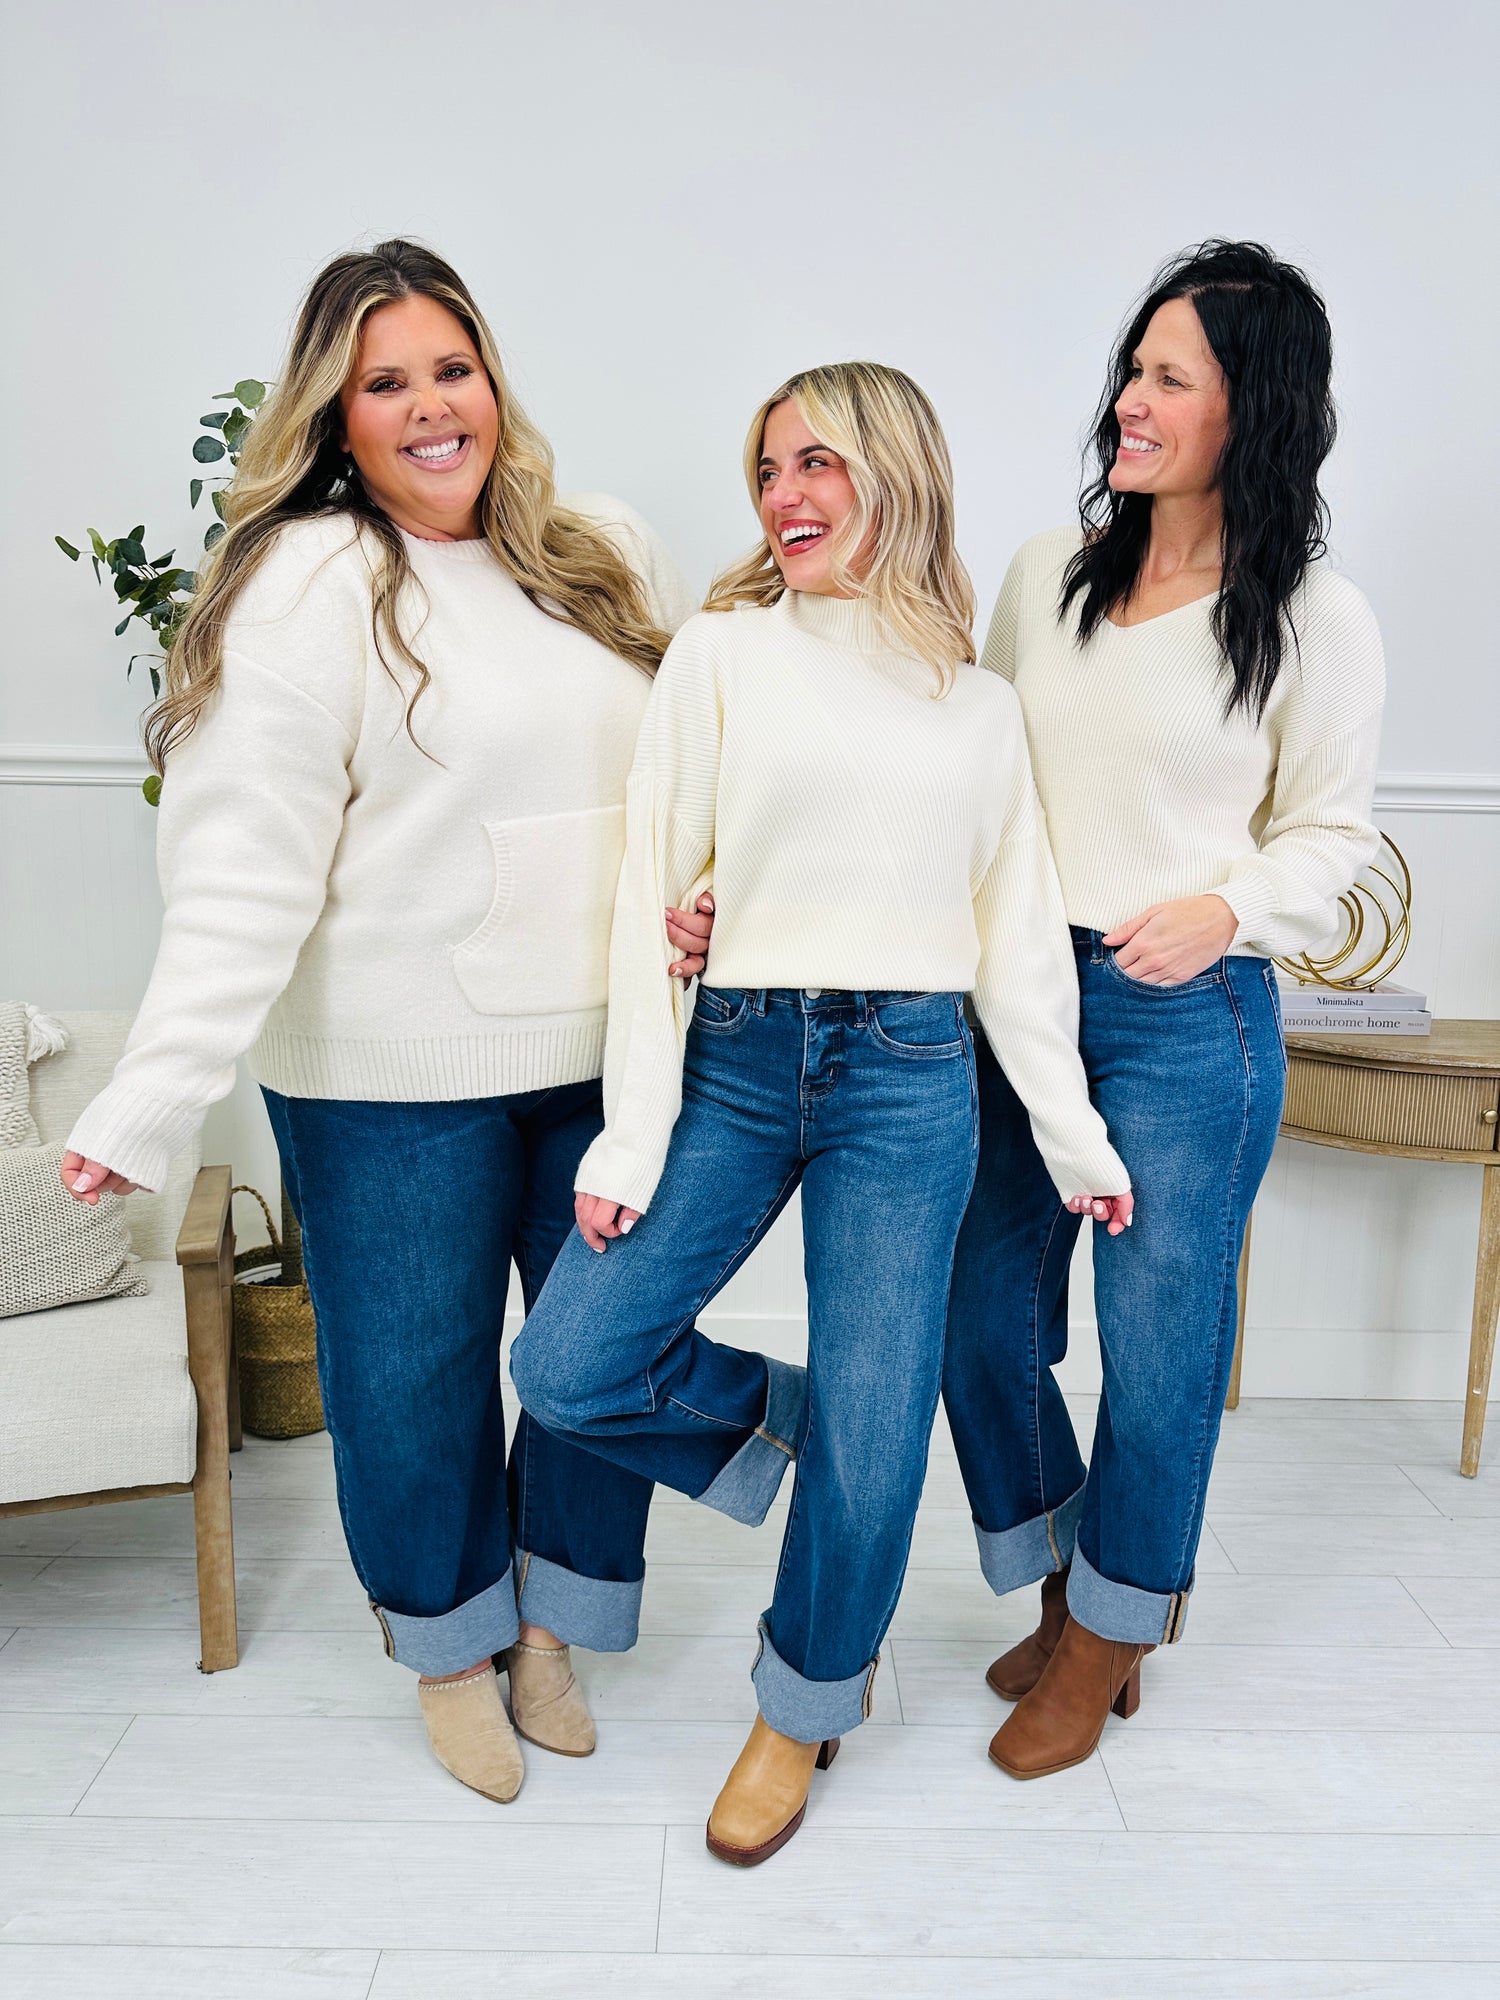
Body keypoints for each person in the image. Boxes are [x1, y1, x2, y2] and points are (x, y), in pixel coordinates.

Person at [60, 238, 713, 1804]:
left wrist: (712, 893)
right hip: (389, 1078)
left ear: (494, 381)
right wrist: (148, 1097)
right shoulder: (308, 584)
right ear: (334, 417)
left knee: (600, 1361)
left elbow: (699, 766)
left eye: (452, 369)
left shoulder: (596, 550)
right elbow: (241, 868)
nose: (431, 407)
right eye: (386, 382)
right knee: (410, 1387)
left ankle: (552, 1627)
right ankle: (448, 1651)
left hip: (614, 1058)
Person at [510, 360, 1131, 1865]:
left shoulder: (982, 708)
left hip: (910, 1078)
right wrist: (632, 1130)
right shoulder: (722, 654)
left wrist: (1072, 1135)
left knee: (883, 1421)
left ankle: (799, 1711)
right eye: (769, 469)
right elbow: (652, 893)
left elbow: (1012, 942)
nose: (783, 495)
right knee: (570, 1359)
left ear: (896, 474)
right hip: (734, 1055)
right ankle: (803, 1425)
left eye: (817, 464)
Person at [943, 241, 1387, 1779]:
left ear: (1251, 409)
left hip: (1188, 1019)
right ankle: (1068, 1585)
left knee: (1157, 1346)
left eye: (1170, 377)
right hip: (1017, 1000)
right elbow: (973, 780)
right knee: (977, 1313)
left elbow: (1331, 833)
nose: (1130, 400)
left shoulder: (1317, 616)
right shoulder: (1043, 578)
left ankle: (1111, 1634)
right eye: (1132, 369)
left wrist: (1226, 910)